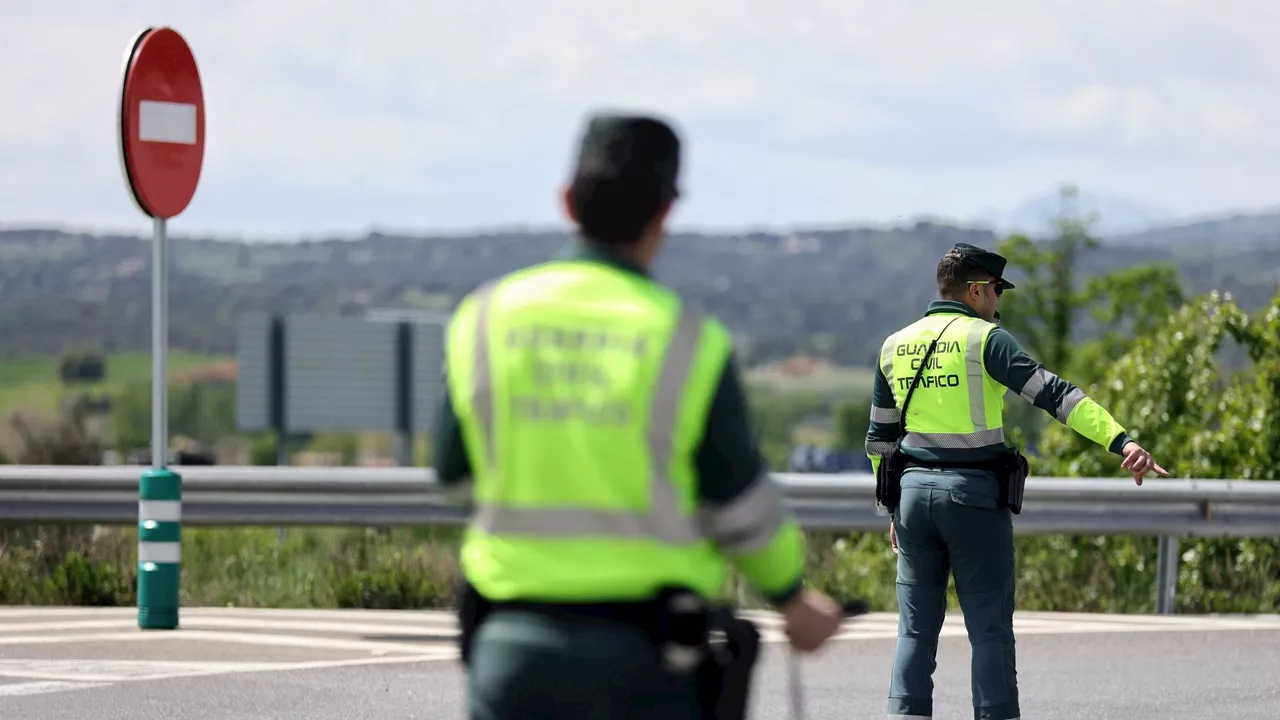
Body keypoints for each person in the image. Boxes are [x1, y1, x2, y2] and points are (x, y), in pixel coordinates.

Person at [432, 112, 845, 720]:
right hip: (647, 663)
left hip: (512, 653)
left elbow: (453, 477)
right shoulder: (688, 341)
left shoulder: (486, 318)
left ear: (567, 201)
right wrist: (792, 598)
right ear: (664, 215)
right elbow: (738, 503)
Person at [864, 242, 1168, 720]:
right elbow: (1056, 396)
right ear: (978, 290)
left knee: (915, 632)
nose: (998, 304)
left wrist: (892, 508)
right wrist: (1121, 441)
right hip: (973, 501)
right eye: (997, 293)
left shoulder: (894, 345)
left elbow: (879, 442)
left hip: (913, 500)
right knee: (988, 631)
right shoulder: (986, 340)